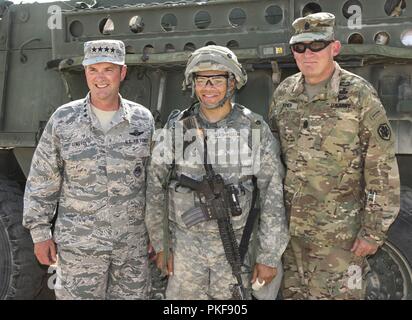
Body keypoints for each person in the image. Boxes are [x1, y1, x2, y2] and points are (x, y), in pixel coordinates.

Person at [269, 12, 400, 299]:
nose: (308, 53)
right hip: (293, 237)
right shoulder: (284, 94)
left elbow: (381, 167)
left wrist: (373, 232)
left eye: (317, 45)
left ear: (334, 47)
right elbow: (274, 161)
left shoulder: (358, 95)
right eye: (300, 47)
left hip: (342, 237)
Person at [145, 45, 289, 300]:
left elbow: (272, 194)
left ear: (232, 83)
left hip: (236, 251)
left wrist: (268, 256)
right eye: (201, 79)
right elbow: (156, 186)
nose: (208, 87)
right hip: (185, 254)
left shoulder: (253, 129)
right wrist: (160, 246)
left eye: (216, 79)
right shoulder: (177, 129)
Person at [23, 40, 154, 299]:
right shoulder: (64, 120)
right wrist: (40, 233)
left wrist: (157, 233)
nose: (100, 78)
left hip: (131, 248)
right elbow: (43, 178)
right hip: (80, 249)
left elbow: (153, 183)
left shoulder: (142, 120)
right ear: (85, 73)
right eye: (93, 70)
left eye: (108, 69)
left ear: (122, 73)